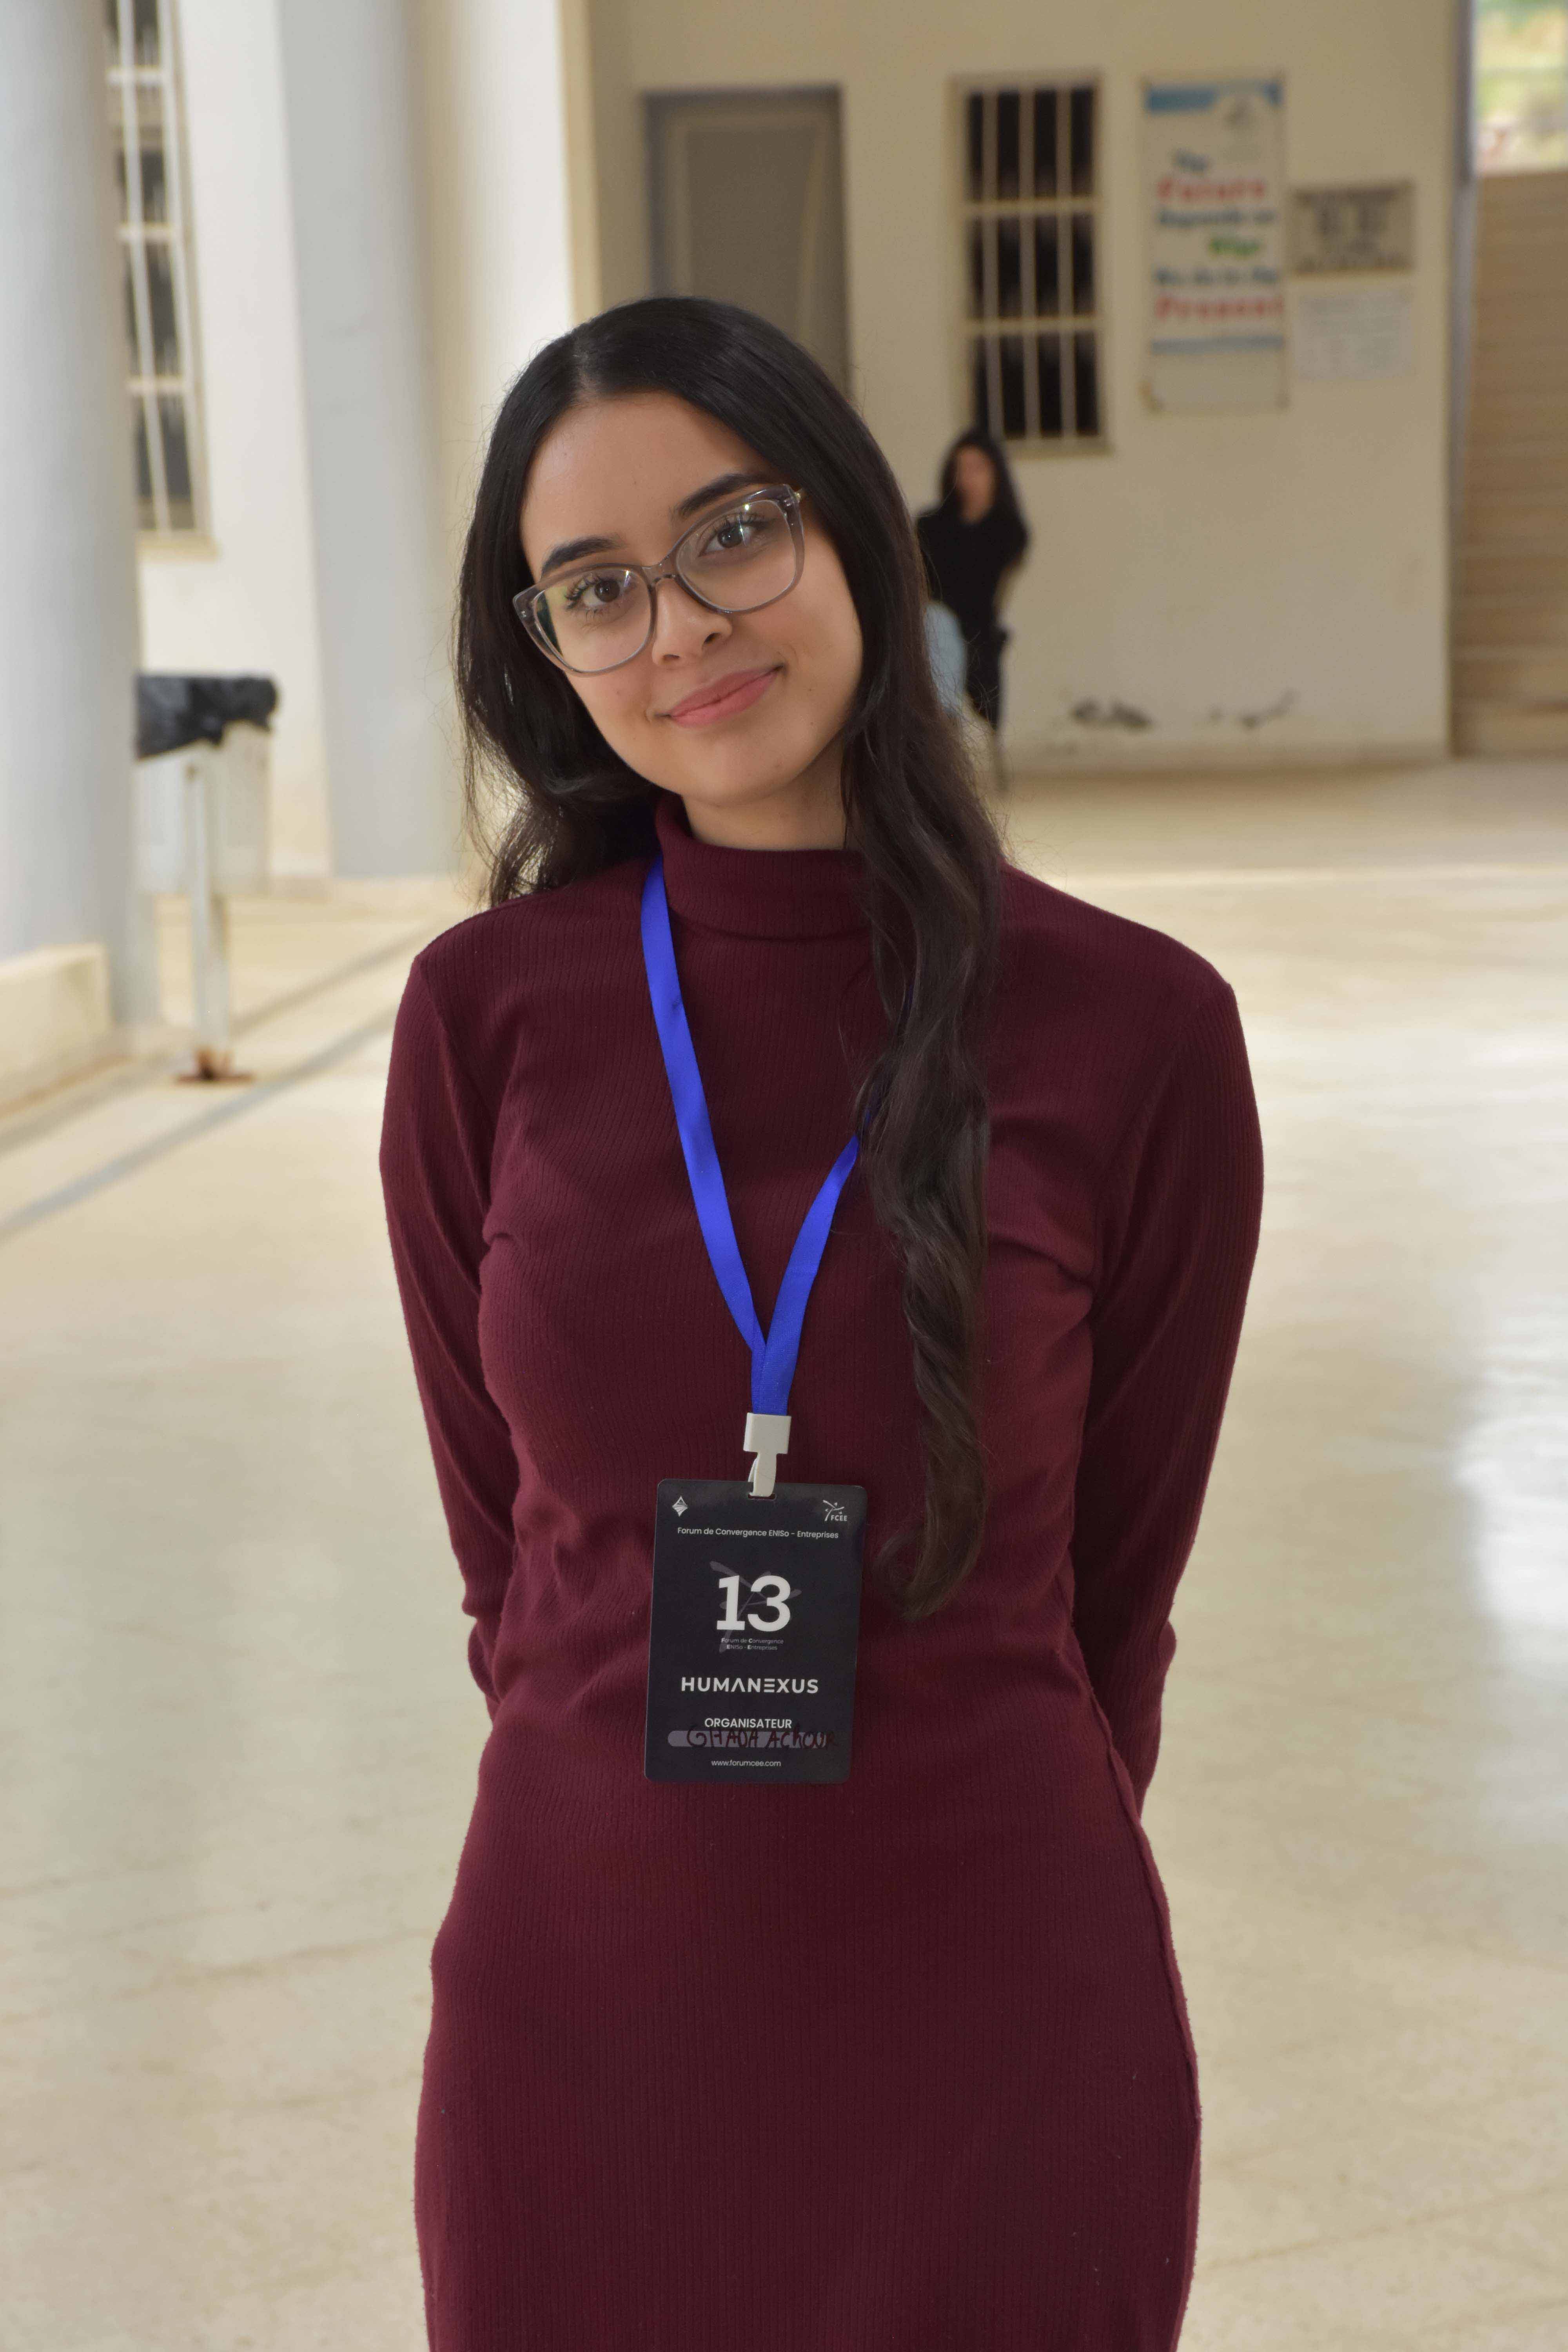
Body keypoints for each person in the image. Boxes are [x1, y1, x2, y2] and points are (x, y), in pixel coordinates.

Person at [379, 294, 1263, 2352]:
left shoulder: (1135, 1030)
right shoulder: (486, 1017)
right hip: (581, 2015)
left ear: (850, 522)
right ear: (546, 647)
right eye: (597, 587)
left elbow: (1112, 1599)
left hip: (996, 2013)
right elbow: (512, 1571)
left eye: (731, 532)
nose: (681, 626)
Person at [916, 428, 1030, 734]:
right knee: (933, 623)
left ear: (996, 474)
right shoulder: (931, 526)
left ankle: (944, 726)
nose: (968, 478)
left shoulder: (1008, 532)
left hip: (975, 631)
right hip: (926, 625)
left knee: (938, 624)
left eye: (977, 468)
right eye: (961, 468)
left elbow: (984, 593)